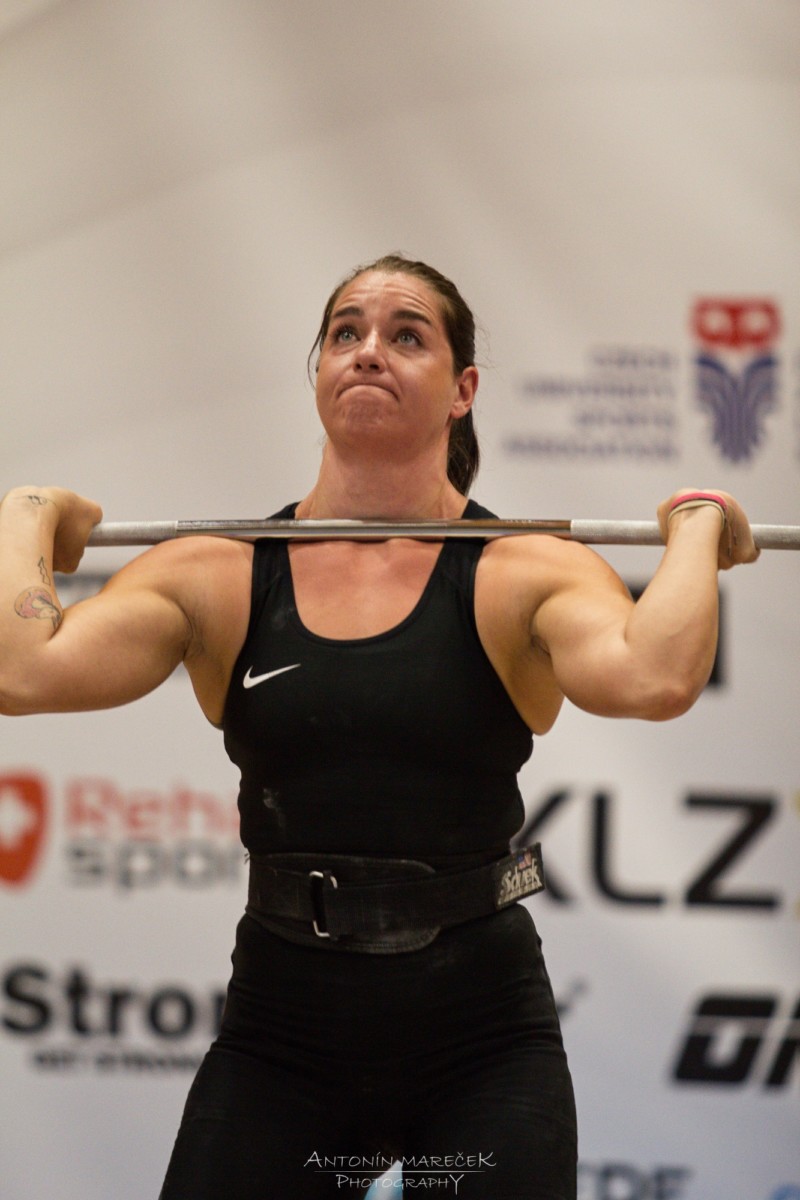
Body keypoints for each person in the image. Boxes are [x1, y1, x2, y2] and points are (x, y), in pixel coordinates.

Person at [0, 254, 759, 1200]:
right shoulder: (217, 572)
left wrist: (697, 522)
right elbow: (20, 673)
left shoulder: (522, 568)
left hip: (481, 1040)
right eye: (346, 333)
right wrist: (27, 512)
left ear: (462, 390)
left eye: (406, 335)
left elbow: (656, 678)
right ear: (319, 368)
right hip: (283, 1038)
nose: (368, 351)